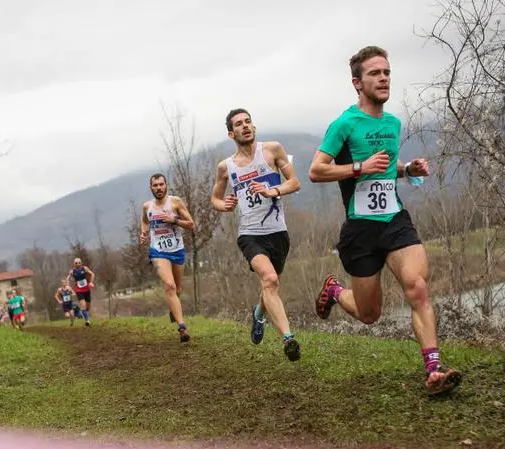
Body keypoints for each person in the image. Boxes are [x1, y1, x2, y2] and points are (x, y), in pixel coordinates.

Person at [308, 45, 462, 396]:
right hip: (360, 229)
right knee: (369, 314)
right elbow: (316, 170)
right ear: (357, 83)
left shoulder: (393, 123)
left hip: (393, 219)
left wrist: (408, 169)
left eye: (387, 72)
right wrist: (359, 167)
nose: (383, 78)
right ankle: (334, 291)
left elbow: (387, 167)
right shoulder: (344, 123)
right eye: (375, 73)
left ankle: (434, 368)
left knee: (417, 287)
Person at [209, 108, 302, 361]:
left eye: (248, 122)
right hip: (250, 234)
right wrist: (224, 205)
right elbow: (215, 199)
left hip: (278, 232)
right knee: (270, 279)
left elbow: (295, 182)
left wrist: (274, 191)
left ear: (254, 127)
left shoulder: (272, 150)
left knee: (270, 285)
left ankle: (259, 314)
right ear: (231, 133)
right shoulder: (225, 167)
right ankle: (288, 339)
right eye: (239, 124)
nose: (245, 126)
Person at [138, 173, 196, 343]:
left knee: (177, 290)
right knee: (169, 286)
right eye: (155, 185)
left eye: (161, 184)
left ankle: (173, 308)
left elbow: (191, 224)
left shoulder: (175, 202)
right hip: (158, 251)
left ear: (166, 185)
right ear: (151, 188)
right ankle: (182, 327)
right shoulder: (147, 206)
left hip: (177, 250)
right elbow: (144, 221)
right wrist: (143, 234)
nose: (159, 188)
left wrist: (174, 219)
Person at [67, 258, 95, 326]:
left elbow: (92, 274)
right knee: (83, 305)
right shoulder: (72, 271)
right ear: (74, 264)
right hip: (79, 290)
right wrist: (68, 287)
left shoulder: (85, 268)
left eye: (79, 262)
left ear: (81, 263)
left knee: (87, 306)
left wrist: (91, 282)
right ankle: (87, 321)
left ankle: (85, 314)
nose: (78, 264)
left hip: (87, 289)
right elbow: (67, 279)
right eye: (76, 263)